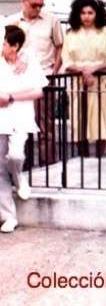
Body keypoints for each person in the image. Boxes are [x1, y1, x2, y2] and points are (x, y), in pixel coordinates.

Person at [7, 0, 64, 165]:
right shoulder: (11, 21)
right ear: (23, 1)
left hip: (43, 77)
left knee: (45, 123)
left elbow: (60, 45)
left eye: (41, 5)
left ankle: (48, 165)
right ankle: (24, 165)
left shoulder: (52, 20)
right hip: (19, 80)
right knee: (20, 123)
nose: (38, 8)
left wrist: (54, 71)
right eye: (34, 5)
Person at [0, 26, 48, 233]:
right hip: (1, 120)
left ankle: (19, 177)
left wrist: (10, 96)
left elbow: (38, 91)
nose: (1, 46)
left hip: (20, 118)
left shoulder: (28, 63)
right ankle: (8, 216)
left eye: (3, 43)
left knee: (15, 156)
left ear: (15, 46)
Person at [60, 0, 106, 157]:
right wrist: (83, 71)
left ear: (97, 13)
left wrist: (93, 69)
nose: (86, 16)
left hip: (101, 81)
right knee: (78, 118)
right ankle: (83, 157)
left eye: (90, 13)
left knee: (101, 118)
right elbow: (66, 59)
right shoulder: (71, 33)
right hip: (77, 82)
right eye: (83, 13)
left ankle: (99, 158)